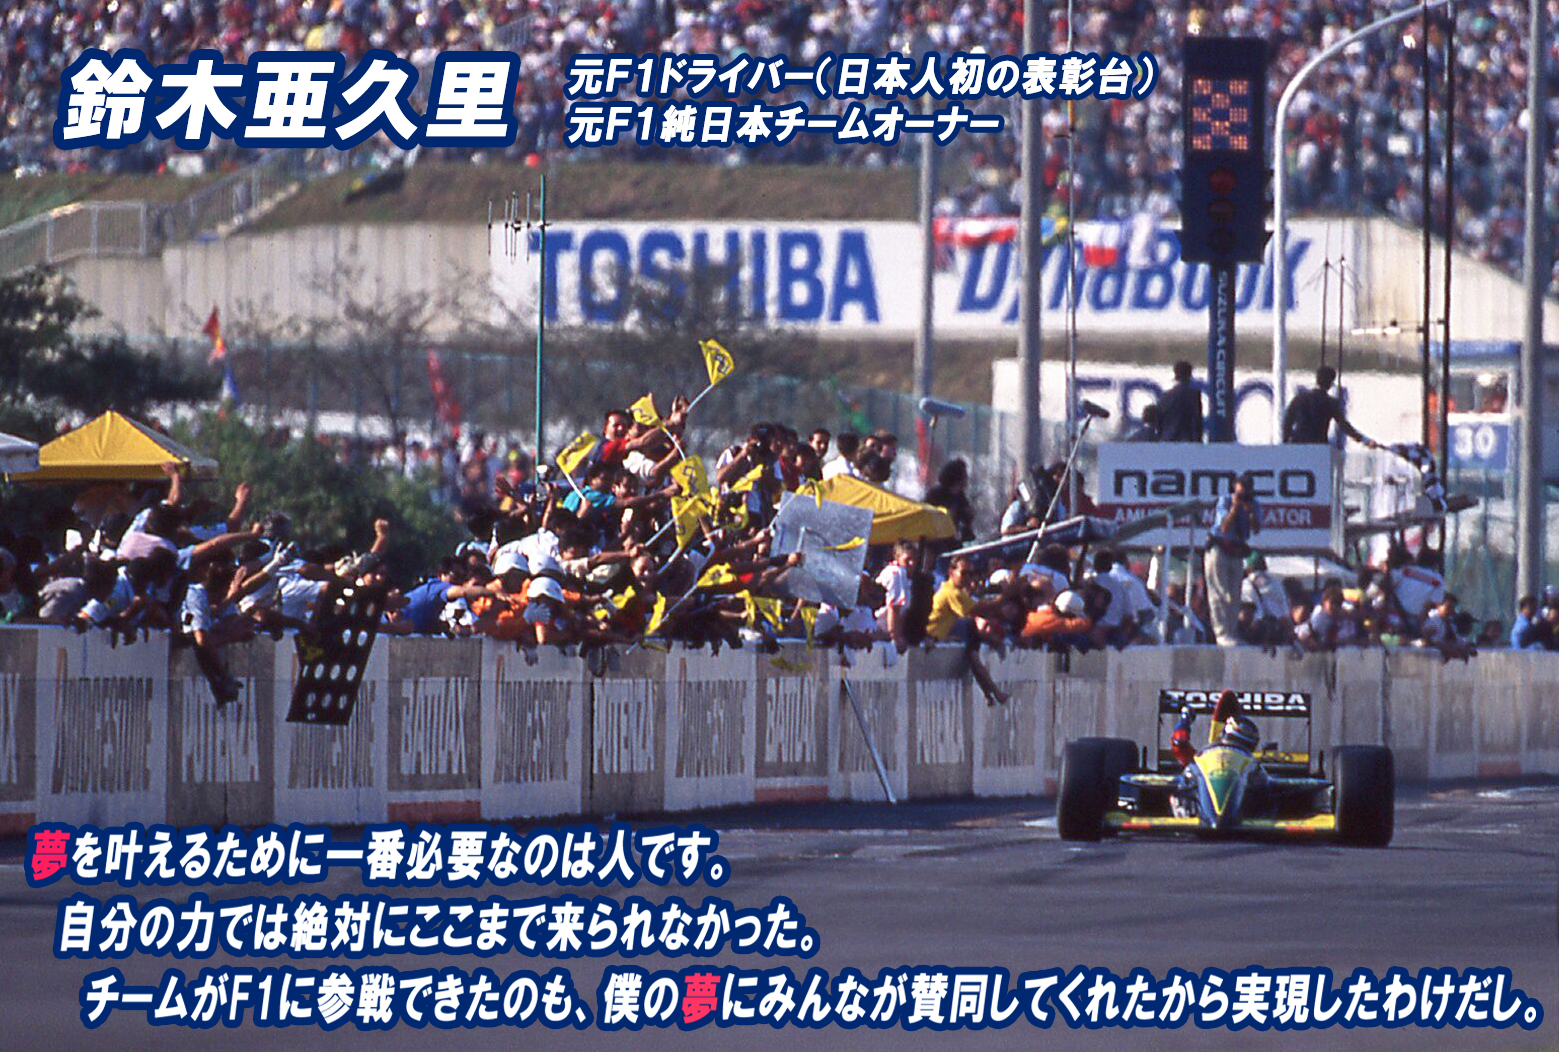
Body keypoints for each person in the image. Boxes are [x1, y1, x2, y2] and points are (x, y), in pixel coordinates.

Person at [1203, 474, 1260, 646]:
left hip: (1237, 550)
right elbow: (1224, 527)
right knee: (1219, 592)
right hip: (1219, 547)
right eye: (1240, 492)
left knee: (1234, 594)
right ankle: (1221, 633)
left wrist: (1249, 512)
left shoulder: (1253, 504)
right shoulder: (1225, 501)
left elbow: (1256, 529)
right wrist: (1234, 509)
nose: (1243, 496)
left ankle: (1231, 631)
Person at [1282, 365, 1370, 445]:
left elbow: (1287, 422)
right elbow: (1344, 425)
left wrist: (1285, 442)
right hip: (1319, 444)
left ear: (1316, 380)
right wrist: (1364, 440)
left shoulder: (1299, 399)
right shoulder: (1330, 403)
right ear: (1330, 384)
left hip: (1297, 443)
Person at [1155, 360, 1203, 442]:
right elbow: (1196, 421)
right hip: (1186, 441)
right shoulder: (1193, 395)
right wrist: (1197, 441)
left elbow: (1159, 423)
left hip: (1166, 440)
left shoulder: (1165, 396)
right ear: (1190, 375)